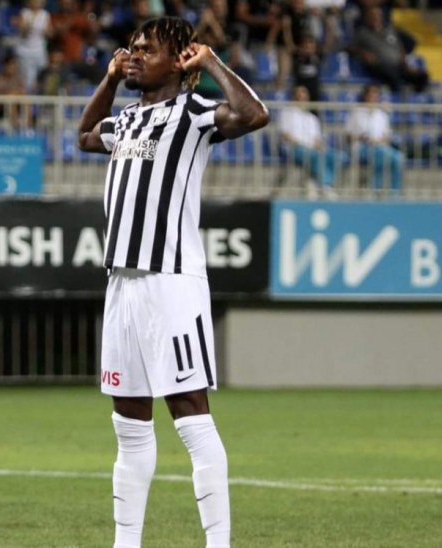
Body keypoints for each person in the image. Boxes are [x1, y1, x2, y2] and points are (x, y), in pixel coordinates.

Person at [77, 16, 269, 548]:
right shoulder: (126, 120)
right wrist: (108, 79)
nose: (134, 55)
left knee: (190, 416)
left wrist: (210, 63)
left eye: (147, 49)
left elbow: (254, 114)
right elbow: (85, 136)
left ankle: (218, 544)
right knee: (129, 424)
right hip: (122, 283)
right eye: (132, 47)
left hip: (171, 281)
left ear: (179, 60)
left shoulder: (194, 112)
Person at [278, 84, 346, 197]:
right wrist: (303, 144)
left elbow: (317, 139)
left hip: (312, 149)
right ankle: (325, 186)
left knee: (339, 157)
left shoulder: (312, 118)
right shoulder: (286, 113)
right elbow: (285, 135)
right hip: (295, 148)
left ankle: (315, 181)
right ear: (294, 98)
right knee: (317, 156)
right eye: (299, 97)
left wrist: (320, 146)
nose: (302, 100)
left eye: (304, 97)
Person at [347, 6, 429, 94]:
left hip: (398, 65)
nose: (375, 18)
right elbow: (349, 47)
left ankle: (417, 98)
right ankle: (397, 97)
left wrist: (405, 63)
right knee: (394, 76)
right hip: (379, 65)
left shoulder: (390, 30)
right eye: (372, 16)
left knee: (422, 76)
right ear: (367, 18)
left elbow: (399, 46)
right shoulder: (362, 33)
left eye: (377, 16)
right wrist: (363, 53)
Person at [345, 83, 403, 194]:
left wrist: (379, 140)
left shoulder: (382, 115)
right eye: (371, 93)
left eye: (376, 94)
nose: (373, 96)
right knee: (380, 155)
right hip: (361, 148)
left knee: (399, 158)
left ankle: (394, 194)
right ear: (365, 95)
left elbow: (387, 136)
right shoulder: (356, 113)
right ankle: (374, 191)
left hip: (380, 147)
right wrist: (361, 137)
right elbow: (348, 135)